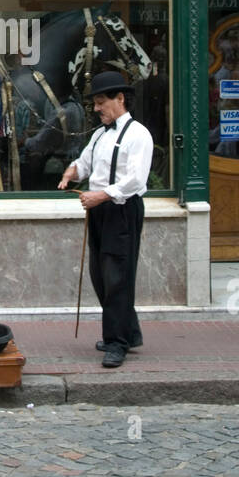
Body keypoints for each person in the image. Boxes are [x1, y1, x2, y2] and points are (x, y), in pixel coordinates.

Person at [58, 70, 154, 370]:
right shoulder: (100, 134)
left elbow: (135, 180)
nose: (97, 109)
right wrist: (71, 173)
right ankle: (130, 331)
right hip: (99, 210)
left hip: (122, 210)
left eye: (101, 102)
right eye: (95, 103)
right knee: (100, 274)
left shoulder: (139, 135)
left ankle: (117, 343)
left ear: (120, 99)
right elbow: (85, 163)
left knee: (117, 277)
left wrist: (101, 196)